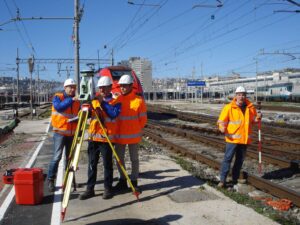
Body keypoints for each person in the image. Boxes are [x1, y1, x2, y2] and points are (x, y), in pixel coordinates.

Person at [79, 76, 121, 200]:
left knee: (107, 165)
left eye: (104, 87)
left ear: (110, 87)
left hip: (107, 138)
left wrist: (102, 102)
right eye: (100, 88)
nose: (102, 90)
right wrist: (84, 106)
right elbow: (87, 115)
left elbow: (113, 114)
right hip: (93, 137)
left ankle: (108, 188)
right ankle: (90, 189)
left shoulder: (116, 99)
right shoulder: (94, 100)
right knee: (92, 164)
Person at [217, 86, 262, 188]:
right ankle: (222, 180)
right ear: (235, 96)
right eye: (239, 94)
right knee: (227, 159)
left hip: (244, 139)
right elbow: (221, 121)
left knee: (239, 161)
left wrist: (258, 118)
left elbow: (253, 120)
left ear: (245, 96)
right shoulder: (229, 107)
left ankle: (234, 179)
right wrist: (221, 127)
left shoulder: (250, 108)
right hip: (232, 139)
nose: (241, 97)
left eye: (243, 95)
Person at [113, 74, 147, 192]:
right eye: (121, 86)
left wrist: (136, 129)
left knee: (134, 159)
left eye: (124, 86)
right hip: (120, 136)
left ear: (131, 86)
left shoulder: (138, 101)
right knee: (119, 159)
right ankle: (122, 180)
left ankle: (134, 181)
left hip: (133, 136)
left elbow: (143, 119)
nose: (122, 88)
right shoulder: (117, 100)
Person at [47, 78, 80, 192]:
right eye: (70, 87)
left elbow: (78, 114)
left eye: (74, 87)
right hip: (60, 133)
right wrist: (71, 100)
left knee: (69, 158)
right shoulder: (58, 97)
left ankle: (69, 179)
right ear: (65, 87)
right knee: (57, 157)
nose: (72, 89)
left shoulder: (76, 101)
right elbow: (59, 107)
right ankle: (51, 179)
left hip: (71, 134)